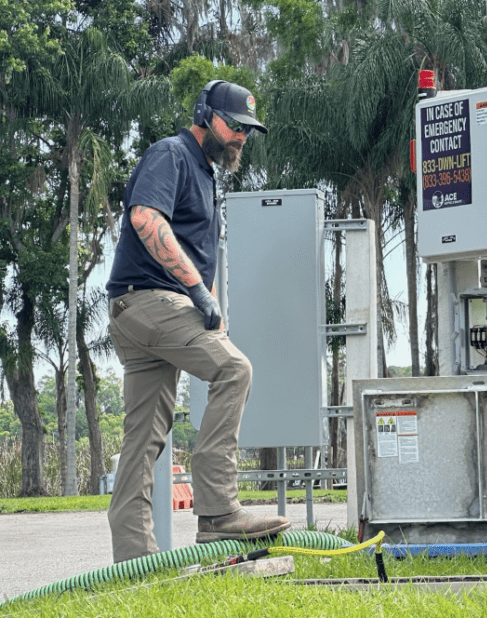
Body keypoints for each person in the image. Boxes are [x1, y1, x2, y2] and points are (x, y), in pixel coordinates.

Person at [105, 80, 289, 563]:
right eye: (234, 126)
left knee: (143, 440)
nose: (240, 137)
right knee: (235, 369)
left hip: (142, 311)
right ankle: (218, 513)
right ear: (205, 115)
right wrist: (196, 292)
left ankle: (133, 563)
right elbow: (146, 219)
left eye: (248, 131)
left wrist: (207, 299)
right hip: (147, 302)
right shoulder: (171, 154)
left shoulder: (205, 173)